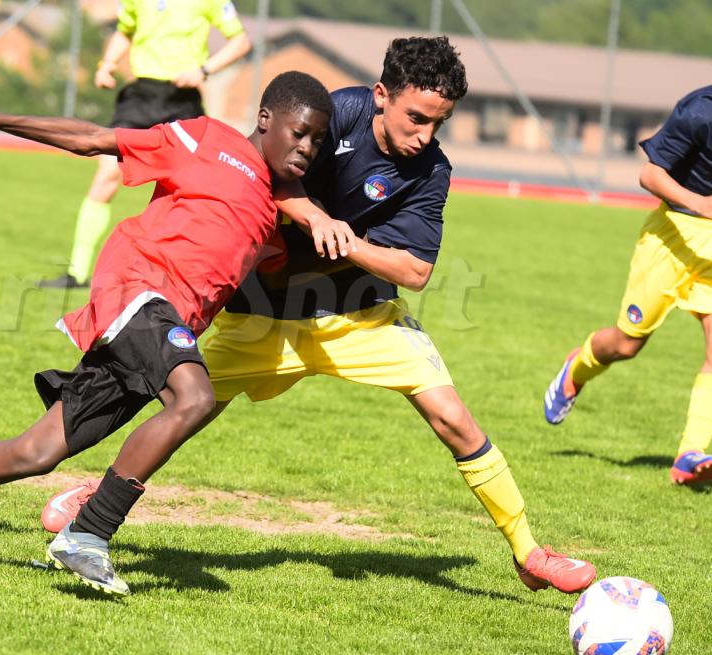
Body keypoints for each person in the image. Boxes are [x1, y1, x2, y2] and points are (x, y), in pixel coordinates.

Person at [43, 36, 598, 595]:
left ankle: (528, 553)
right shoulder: (337, 114)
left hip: (361, 317)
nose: (425, 135)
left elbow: (414, 270)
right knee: (179, 401)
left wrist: (346, 241)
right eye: (416, 118)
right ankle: (95, 499)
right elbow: (262, 174)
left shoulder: (432, 170)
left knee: (453, 418)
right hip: (265, 314)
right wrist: (316, 218)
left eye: (439, 123)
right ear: (381, 95)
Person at [0, 72, 358, 597]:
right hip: (138, 290)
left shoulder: (274, 209)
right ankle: (89, 533)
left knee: (33, 453)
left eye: (317, 139)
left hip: (159, 330)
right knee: (194, 398)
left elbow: (269, 275)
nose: (307, 147)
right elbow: (94, 138)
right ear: (265, 119)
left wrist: (351, 253)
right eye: (299, 132)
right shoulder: (205, 138)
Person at [544, 85, 712, 487]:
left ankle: (689, 456)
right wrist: (702, 204)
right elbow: (649, 174)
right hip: (672, 239)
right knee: (626, 344)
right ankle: (577, 368)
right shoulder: (700, 111)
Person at [38, 0, 252, 289]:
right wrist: (107, 64)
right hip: (140, 97)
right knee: (106, 174)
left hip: (181, 99)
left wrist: (204, 70)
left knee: (190, 188)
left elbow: (240, 42)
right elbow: (124, 31)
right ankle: (76, 272)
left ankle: (183, 275)